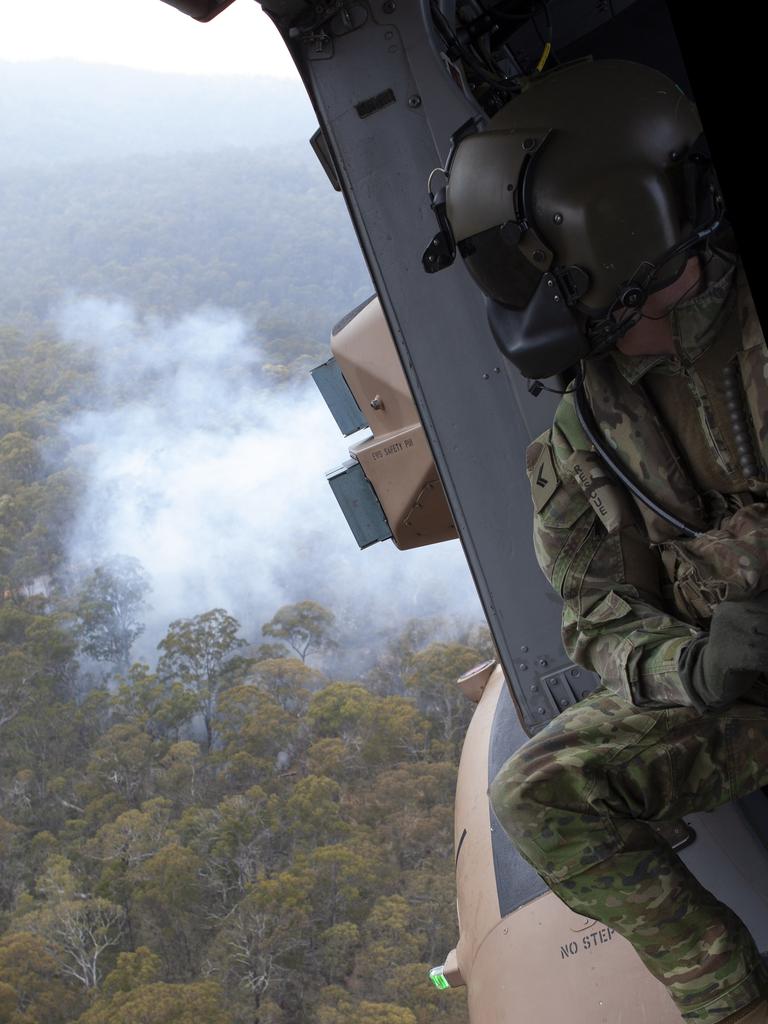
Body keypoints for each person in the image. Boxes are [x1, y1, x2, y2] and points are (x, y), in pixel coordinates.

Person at [427, 58, 768, 1023]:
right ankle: (727, 997)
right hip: (738, 694)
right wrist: (693, 670)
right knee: (539, 793)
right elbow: (593, 618)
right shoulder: (591, 427)